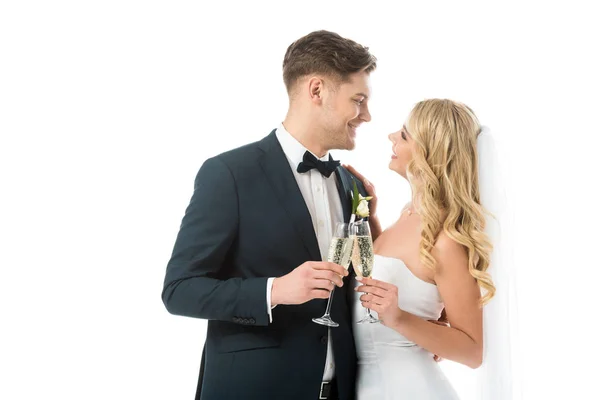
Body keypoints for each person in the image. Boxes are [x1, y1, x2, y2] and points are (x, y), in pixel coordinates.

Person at [161, 30, 376, 399]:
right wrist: (274, 290)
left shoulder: (349, 184)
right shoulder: (229, 173)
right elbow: (179, 290)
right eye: (358, 100)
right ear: (317, 90)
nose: (367, 116)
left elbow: (359, 285)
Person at [347, 99, 499, 399]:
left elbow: (472, 351)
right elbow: (394, 273)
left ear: (431, 154)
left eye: (404, 135)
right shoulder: (408, 212)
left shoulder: (447, 240)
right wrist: (372, 219)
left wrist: (399, 318)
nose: (392, 136)